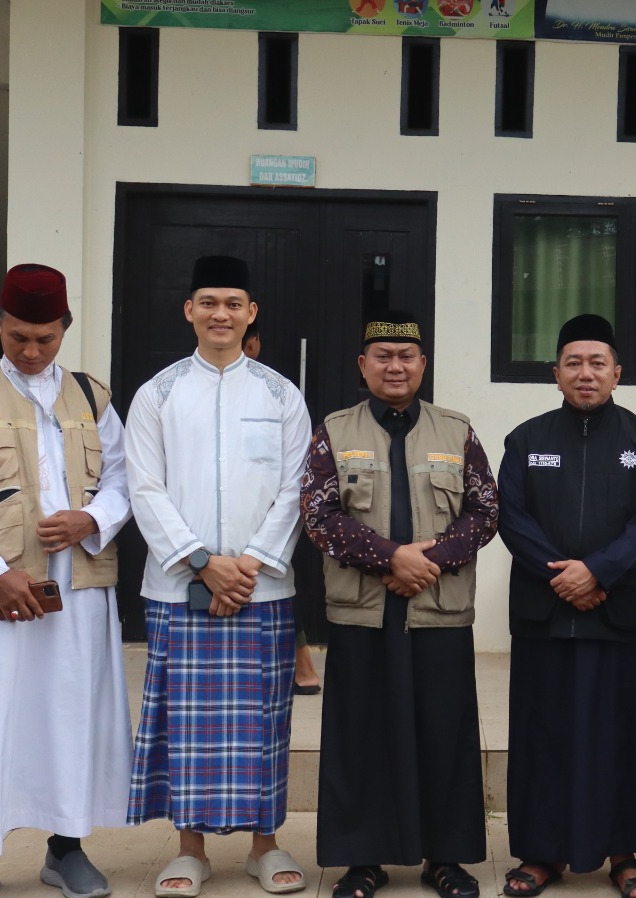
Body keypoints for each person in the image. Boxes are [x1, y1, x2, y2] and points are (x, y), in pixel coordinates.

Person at [0, 263, 131, 898]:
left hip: (77, 584)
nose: (32, 351)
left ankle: (66, 849)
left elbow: (124, 479)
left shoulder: (92, 397)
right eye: (18, 337)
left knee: (70, 716)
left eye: (45, 338)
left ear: (65, 327)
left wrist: (91, 519)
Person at [125, 255, 313, 898]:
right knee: (186, 726)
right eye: (208, 302)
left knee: (266, 721)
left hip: (262, 588)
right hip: (182, 586)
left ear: (251, 312)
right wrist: (204, 563)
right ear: (189, 310)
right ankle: (190, 850)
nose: (221, 314)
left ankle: (265, 845)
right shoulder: (158, 393)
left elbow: (296, 488)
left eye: (234, 303)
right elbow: (144, 488)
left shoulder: (281, 394)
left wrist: (249, 564)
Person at [301, 310, 499, 898]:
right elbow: (318, 513)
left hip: (438, 608)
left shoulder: (456, 431)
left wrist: (428, 561)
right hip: (362, 611)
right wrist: (391, 558)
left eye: (406, 356)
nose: (395, 366)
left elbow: (486, 511)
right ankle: (362, 860)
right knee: (360, 737)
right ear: (363, 366)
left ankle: (447, 858)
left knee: (444, 733)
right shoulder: (334, 432)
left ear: (422, 364)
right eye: (383, 357)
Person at [496, 314, 636, 898]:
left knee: (624, 735)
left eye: (597, 363)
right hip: (546, 614)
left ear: (617, 373)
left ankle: (624, 853)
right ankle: (542, 851)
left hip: (621, 614)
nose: (585, 373)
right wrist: (565, 576)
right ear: (556, 373)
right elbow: (511, 516)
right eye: (573, 363)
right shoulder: (526, 440)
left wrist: (598, 571)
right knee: (543, 734)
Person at [241, 320, 323, 696]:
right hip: (240, 530)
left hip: (276, 520)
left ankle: (301, 661)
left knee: (281, 577)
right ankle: (301, 663)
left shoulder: (277, 392)